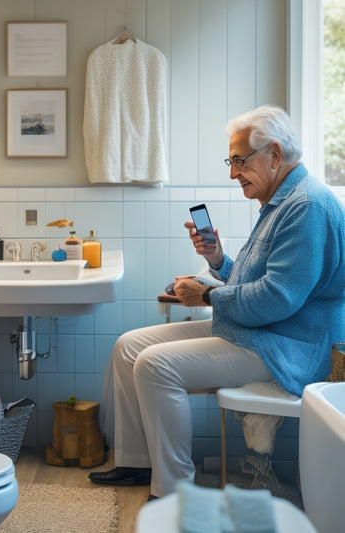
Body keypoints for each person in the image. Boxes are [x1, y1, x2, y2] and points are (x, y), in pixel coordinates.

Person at [88, 104, 345, 499]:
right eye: (231, 160)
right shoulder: (281, 201)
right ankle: (137, 462)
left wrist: (207, 294)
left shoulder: (306, 207)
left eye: (240, 160)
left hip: (289, 345)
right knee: (129, 347)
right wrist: (216, 260)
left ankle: (174, 492)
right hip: (258, 332)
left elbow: (277, 299)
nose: (232, 173)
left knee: (156, 366)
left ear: (274, 155)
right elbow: (257, 281)